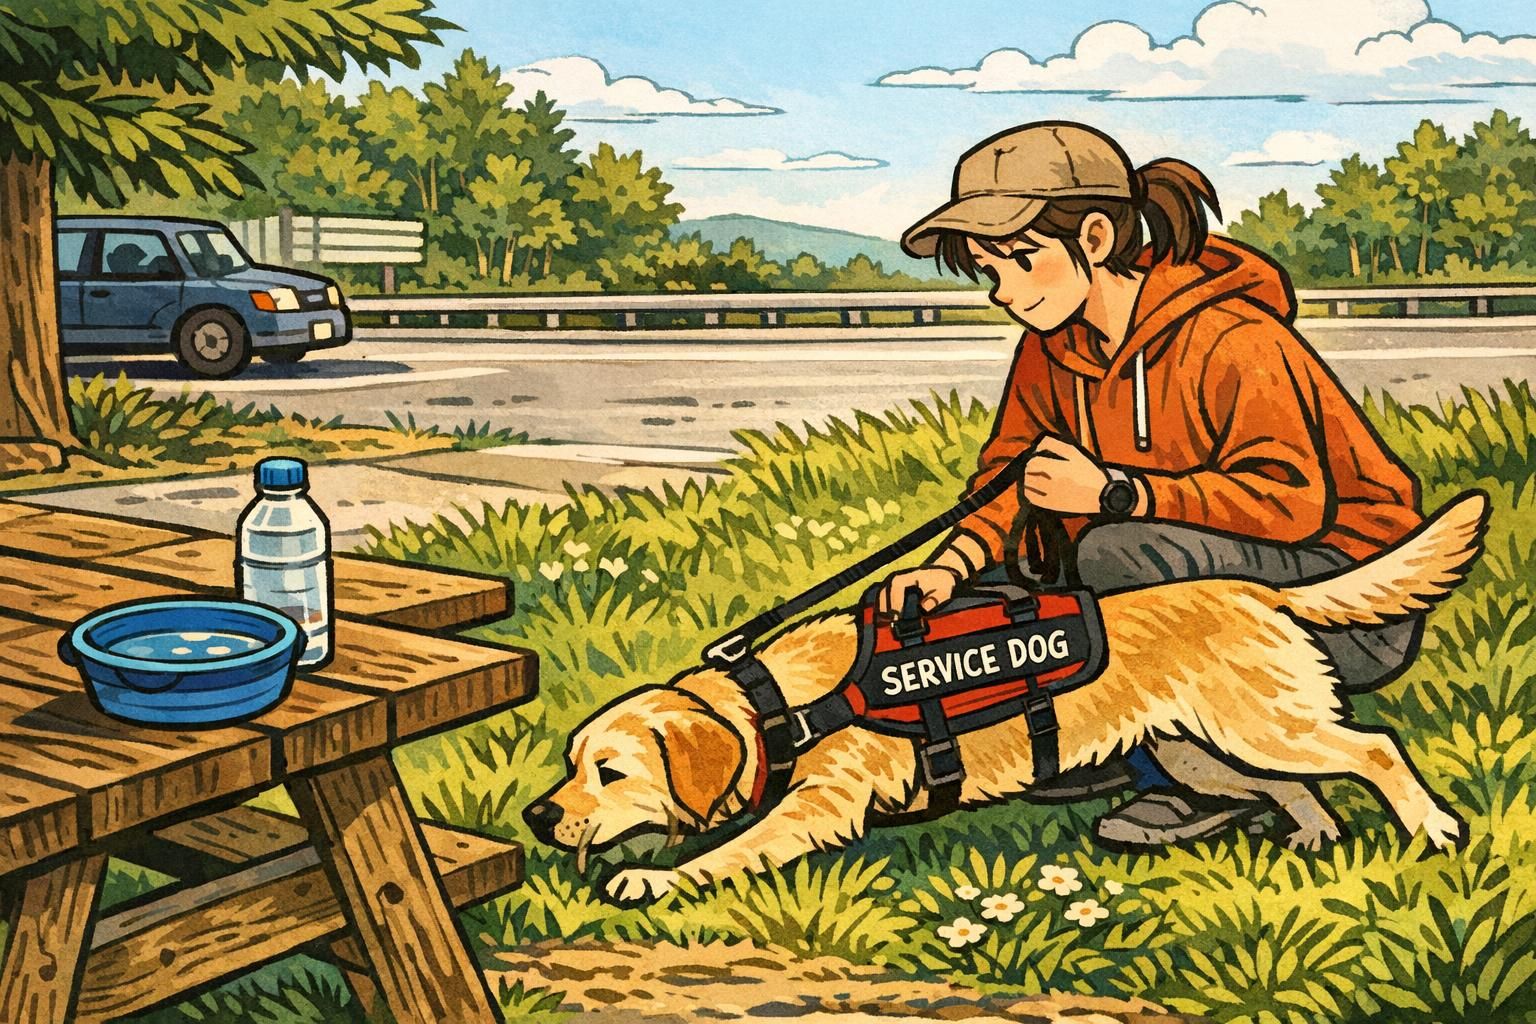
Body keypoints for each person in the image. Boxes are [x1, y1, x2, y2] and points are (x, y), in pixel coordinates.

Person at [885, 121, 1425, 847]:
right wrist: (949, 567)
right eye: (991, 270)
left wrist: (1118, 493)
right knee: (994, 610)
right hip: (1197, 583)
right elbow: (1008, 480)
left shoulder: (1235, 337)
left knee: (1117, 553)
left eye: (1021, 260)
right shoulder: (1052, 346)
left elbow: (1291, 503)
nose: (1004, 292)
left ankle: (1184, 779)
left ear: (1098, 238)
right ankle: (1099, 747)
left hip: (1344, 603)